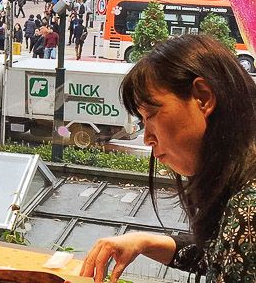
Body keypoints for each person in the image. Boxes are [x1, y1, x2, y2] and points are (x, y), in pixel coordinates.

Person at [80, 35, 256, 283]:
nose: (147, 138)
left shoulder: (249, 208)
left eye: (151, 114)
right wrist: (144, 242)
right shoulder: (240, 185)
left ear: (203, 98)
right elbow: (220, 255)